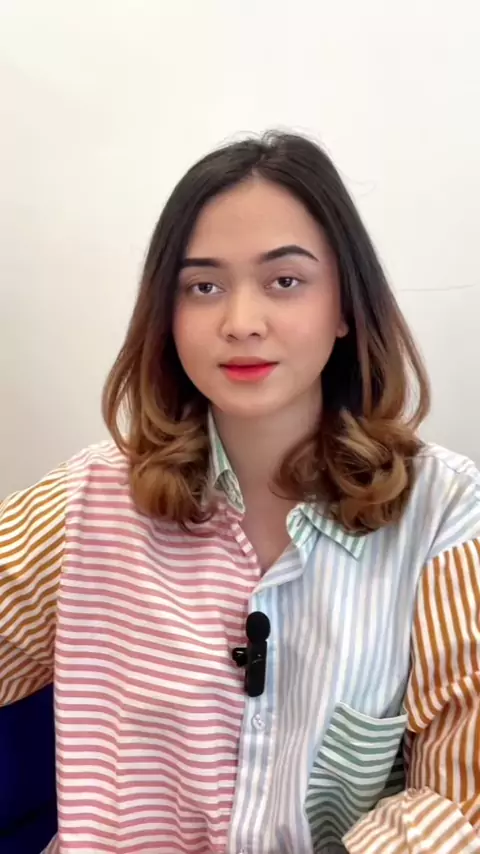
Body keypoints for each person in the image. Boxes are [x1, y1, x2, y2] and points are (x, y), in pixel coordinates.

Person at [1, 131, 479, 854]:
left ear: (345, 306)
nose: (242, 323)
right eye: (203, 287)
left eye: (285, 281)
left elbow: (458, 799)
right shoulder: (86, 504)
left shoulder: (443, 514)